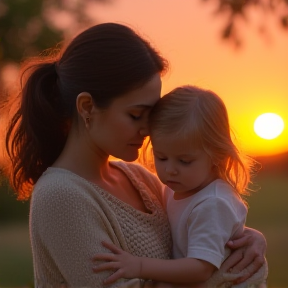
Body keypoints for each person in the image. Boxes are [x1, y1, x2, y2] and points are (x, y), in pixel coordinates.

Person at [2, 22, 267, 288]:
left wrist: (246, 240)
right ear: (86, 107)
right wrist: (226, 275)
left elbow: (197, 231)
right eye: (136, 115)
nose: (148, 129)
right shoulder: (60, 196)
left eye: (153, 116)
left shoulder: (141, 178)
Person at [93, 85, 268, 287]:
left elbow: (200, 269)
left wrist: (139, 266)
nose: (170, 170)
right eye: (162, 157)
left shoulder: (212, 204)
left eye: (184, 161)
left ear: (216, 156)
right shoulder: (178, 187)